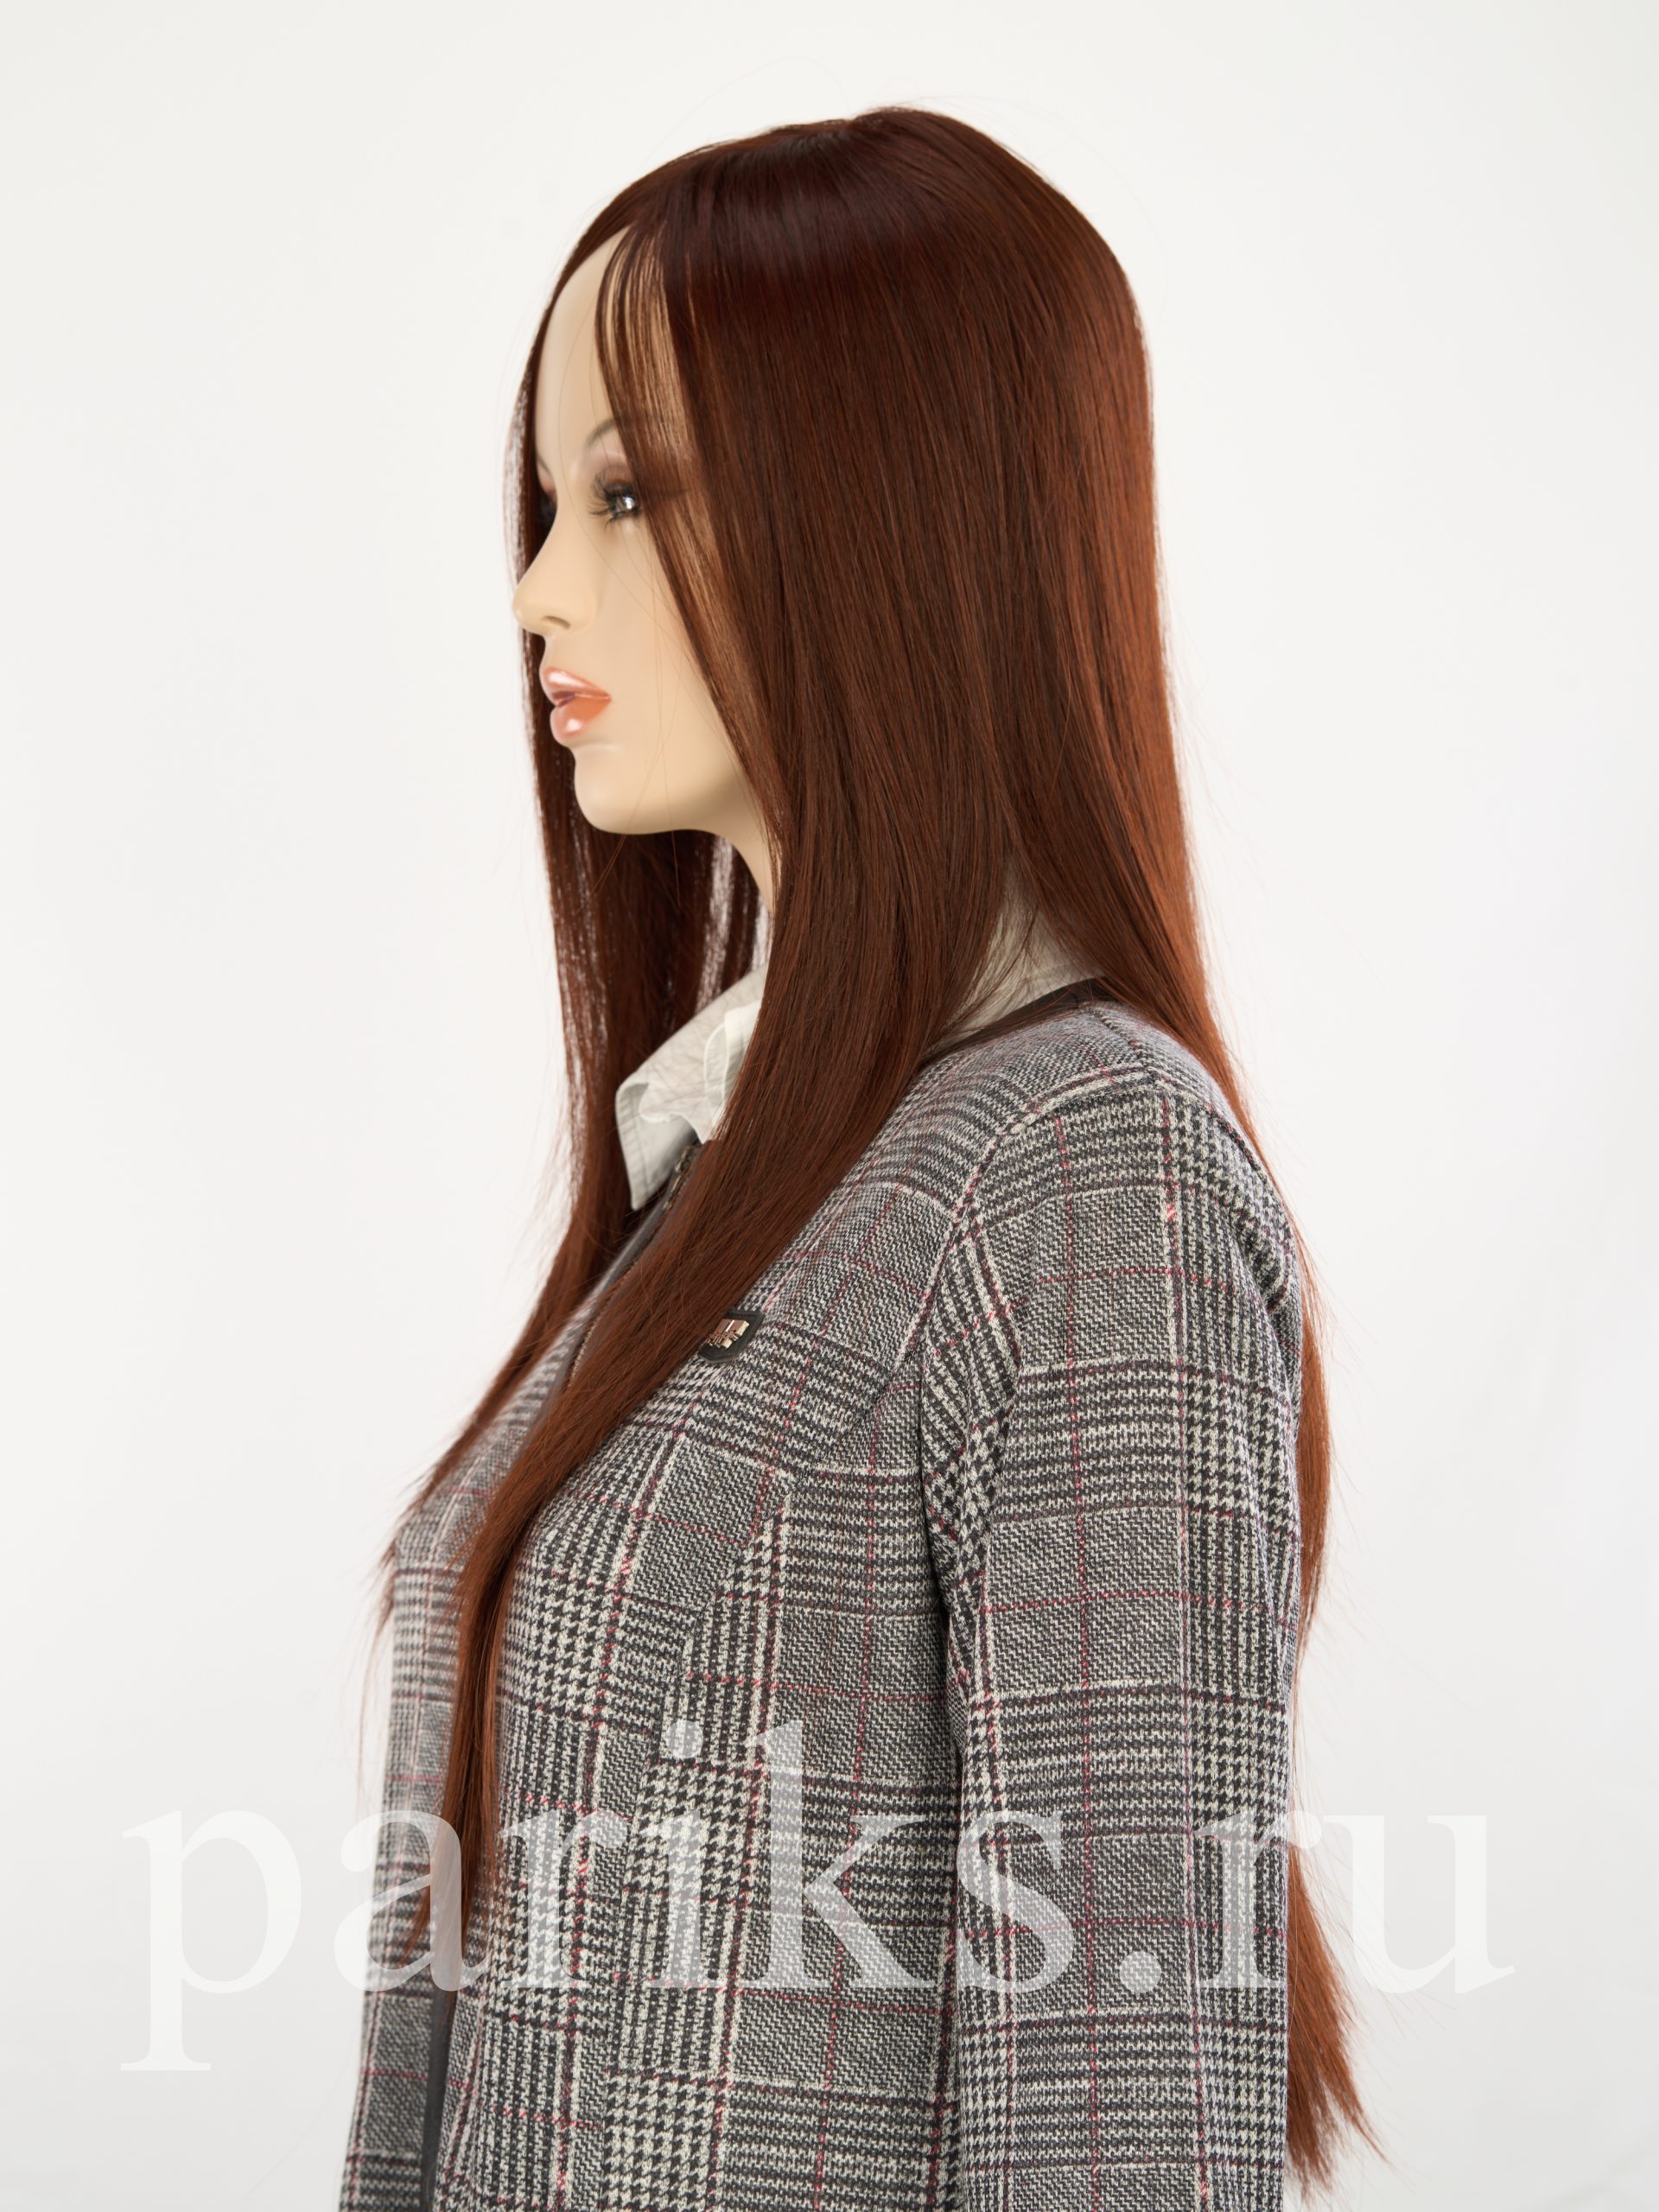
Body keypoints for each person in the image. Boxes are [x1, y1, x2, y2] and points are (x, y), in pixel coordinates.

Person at [336, 105, 1375, 2212]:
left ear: (884, 509)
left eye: (628, 492)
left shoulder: (1083, 1170)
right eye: (550, 501)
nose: (540, 586)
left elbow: (1124, 2128)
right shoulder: (739, 1164)